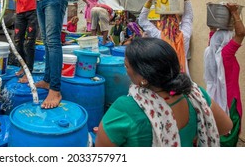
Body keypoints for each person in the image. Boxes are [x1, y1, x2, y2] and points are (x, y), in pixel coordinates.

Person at [95, 38, 232, 147]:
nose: (126, 71)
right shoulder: (195, 94)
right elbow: (225, 127)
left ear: (143, 78)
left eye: (127, 66)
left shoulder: (125, 108)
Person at [204, 3, 245, 146]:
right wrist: (234, 13)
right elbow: (240, 33)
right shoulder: (226, 54)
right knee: (230, 130)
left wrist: (213, 26)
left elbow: (213, 36)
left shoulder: (210, 51)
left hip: (213, 99)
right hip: (230, 99)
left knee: (216, 128)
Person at [138, 0, 193, 75]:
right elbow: (188, 16)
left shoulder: (159, 36)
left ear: (161, 23)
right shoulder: (184, 36)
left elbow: (142, 20)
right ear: (177, 22)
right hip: (183, 80)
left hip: (164, 80)